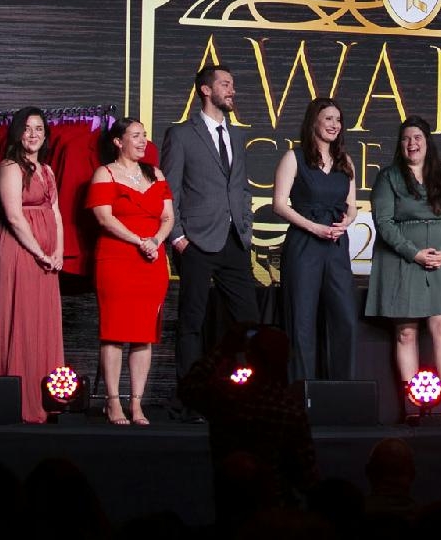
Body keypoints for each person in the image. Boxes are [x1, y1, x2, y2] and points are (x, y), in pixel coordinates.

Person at [161, 64, 260, 419]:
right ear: (206, 90)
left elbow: (242, 188)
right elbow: (169, 189)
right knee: (192, 321)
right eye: (225, 84)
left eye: (233, 84)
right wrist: (178, 236)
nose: (232, 90)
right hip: (196, 242)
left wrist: (245, 228)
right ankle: (191, 400)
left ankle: (246, 396)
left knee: (248, 321)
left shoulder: (235, 136)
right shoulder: (181, 134)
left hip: (234, 240)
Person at [364, 115, 441, 418]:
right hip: (401, 261)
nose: (412, 144)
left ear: (427, 143)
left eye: (417, 138)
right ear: (400, 145)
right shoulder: (388, 177)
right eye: (406, 139)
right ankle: (413, 402)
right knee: (406, 333)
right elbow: (383, 222)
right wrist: (414, 253)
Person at [178, 322, 319, 527]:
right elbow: (308, 479)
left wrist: (222, 351)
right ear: (286, 360)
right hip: (277, 517)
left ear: (249, 357)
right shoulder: (290, 411)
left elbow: (189, 387)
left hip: (230, 514)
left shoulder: (226, 399)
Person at [0, 107, 65, 424]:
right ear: (17, 133)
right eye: (27, 128)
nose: (34, 134)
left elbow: (56, 212)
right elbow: (14, 216)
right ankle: (15, 401)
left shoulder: (46, 169)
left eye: (39, 128)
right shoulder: (9, 167)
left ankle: (44, 400)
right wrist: (39, 252)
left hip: (45, 255)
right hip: (18, 252)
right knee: (18, 320)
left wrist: (58, 250)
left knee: (42, 323)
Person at [87, 117, 174, 425]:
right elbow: (104, 218)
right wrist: (139, 240)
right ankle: (113, 402)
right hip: (117, 259)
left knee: (144, 335)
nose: (142, 141)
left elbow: (167, 217)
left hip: (151, 261)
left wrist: (155, 241)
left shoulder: (156, 173)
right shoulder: (105, 173)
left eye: (144, 136)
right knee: (113, 333)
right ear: (118, 141)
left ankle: (136, 404)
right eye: (135, 136)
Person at [272, 97, 357, 383]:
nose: (335, 125)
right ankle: (300, 393)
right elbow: (279, 205)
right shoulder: (293, 158)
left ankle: (341, 391)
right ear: (314, 122)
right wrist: (314, 228)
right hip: (304, 245)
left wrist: (348, 220)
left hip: (335, 247)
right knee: (301, 322)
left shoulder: (345, 161)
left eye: (338, 119)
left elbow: (352, 204)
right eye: (328, 119)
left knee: (344, 318)